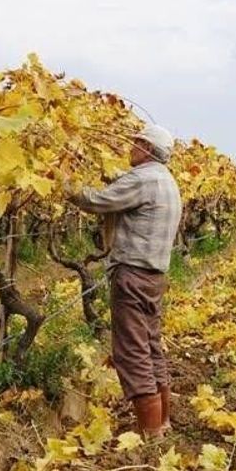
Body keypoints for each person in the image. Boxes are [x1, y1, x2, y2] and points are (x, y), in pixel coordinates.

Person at [69, 123, 182, 438]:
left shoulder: (143, 178)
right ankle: (162, 423)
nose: (129, 147)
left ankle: (150, 434)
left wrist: (65, 186)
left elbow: (96, 201)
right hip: (154, 276)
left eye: (135, 142)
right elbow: (122, 188)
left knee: (132, 352)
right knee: (150, 346)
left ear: (146, 148)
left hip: (132, 276)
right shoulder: (166, 181)